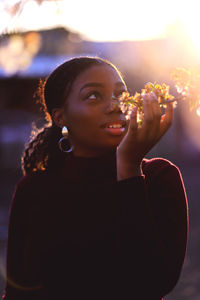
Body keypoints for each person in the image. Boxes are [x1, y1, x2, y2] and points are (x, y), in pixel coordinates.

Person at [2, 56, 188, 300]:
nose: (116, 105)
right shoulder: (34, 189)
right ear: (60, 117)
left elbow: (152, 282)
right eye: (93, 96)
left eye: (121, 94)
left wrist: (129, 167)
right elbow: (18, 291)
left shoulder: (159, 178)